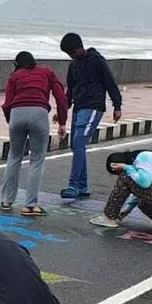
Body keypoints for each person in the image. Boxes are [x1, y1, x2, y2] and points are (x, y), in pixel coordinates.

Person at [0, 51, 67, 217]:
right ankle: (29, 206)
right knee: (36, 159)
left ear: (17, 64)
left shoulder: (14, 76)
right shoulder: (47, 72)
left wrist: (12, 121)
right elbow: (60, 96)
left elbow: (7, 103)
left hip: (16, 113)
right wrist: (63, 121)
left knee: (14, 156)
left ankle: (6, 200)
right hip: (39, 113)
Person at [59, 32, 123, 200]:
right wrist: (63, 110)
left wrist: (117, 105)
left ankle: (73, 184)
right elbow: (70, 90)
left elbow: (110, 82)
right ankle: (82, 185)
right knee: (76, 145)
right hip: (79, 106)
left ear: (80, 47)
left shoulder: (97, 60)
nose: (72, 56)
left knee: (79, 141)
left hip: (93, 106)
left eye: (73, 52)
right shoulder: (74, 65)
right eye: (69, 54)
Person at [88, 150, 152, 233]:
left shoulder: (143, 157)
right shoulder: (144, 161)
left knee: (125, 176)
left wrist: (126, 168)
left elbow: (144, 183)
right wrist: (127, 209)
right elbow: (144, 191)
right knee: (142, 203)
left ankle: (109, 217)